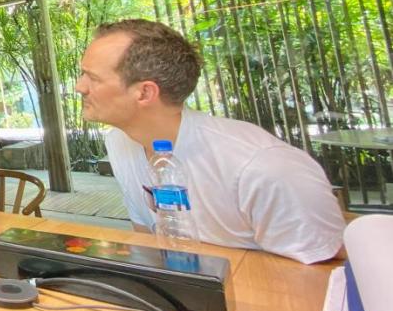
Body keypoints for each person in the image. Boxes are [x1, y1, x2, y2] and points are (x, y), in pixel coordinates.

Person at [75, 19, 345, 263]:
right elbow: (149, 243)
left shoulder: (263, 167)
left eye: (93, 78)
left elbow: (324, 277)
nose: (79, 87)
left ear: (145, 93)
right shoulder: (120, 143)